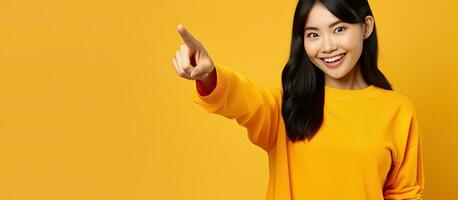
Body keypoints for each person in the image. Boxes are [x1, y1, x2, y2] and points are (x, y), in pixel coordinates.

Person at [171, 0, 424, 199]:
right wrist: (210, 76)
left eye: (338, 29)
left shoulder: (397, 111)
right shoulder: (285, 107)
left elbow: (403, 194)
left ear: (366, 27)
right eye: (313, 34)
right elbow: (243, 98)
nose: (327, 46)